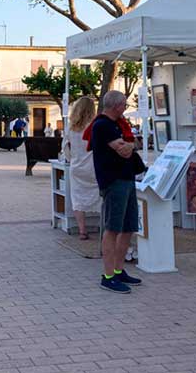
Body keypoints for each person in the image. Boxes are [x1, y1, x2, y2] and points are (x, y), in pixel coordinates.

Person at [90, 91, 144, 294]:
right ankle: (108, 275)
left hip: (127, 179)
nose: (125, 109)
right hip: (113, 181)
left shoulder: (118, 125)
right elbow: (124, 149)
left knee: (128, 226)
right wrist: (130, 145)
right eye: (124, 105)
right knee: (112, 228)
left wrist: (130, 145)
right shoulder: (102, 125)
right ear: (116, 105)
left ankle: (119, 269)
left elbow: (131, 145)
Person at [62, 96, 101, 241]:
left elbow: (65, 147)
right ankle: (103, 227)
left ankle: (82, 230)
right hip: (94, 167)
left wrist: (71, 159)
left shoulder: (71, 127)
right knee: (101, 196)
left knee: (77, 199)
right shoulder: (95, 125)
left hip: (77, 167)